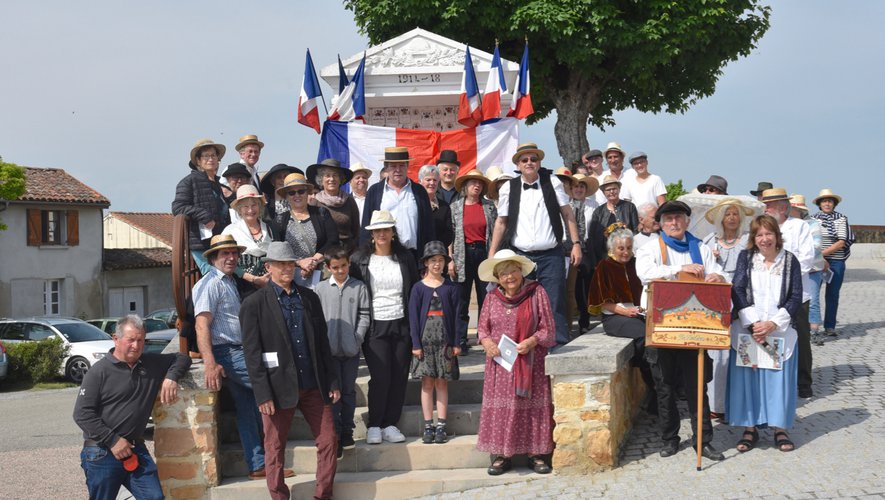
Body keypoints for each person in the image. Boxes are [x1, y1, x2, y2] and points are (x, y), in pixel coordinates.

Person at [240, 242, 340, 500]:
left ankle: (323, 495)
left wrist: (332, 381)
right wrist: (262, 395)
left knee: (328, 441)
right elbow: (252, 355)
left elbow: (322, 344)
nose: (286, 268)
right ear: (268, 267)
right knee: (274, 447)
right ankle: (279, 496)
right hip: (276, 387)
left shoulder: (309, 298)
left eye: (289, 263)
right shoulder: (254, 304)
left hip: (313, 384)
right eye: (280, 264)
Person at [635, 201, 727, 461]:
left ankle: (703, 440)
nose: (673, 223)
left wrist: (716, 277)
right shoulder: (651, 247)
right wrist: (679, 269)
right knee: (664, 385)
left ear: (686, 221)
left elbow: (717, 272)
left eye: (678, 218)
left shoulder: (701, 248)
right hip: (661, 325)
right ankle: (669, 438)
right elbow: (645, 273)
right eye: (668, 219)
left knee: (697, 384)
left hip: (694, 325)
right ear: (661, 224)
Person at [73, 315, 191, 500]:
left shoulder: (150, 363)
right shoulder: (98, 372)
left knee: (154, 497)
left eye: (140, 340)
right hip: (101, 451)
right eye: (131, 340)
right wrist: (113, 441)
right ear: (116, 339)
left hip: (136, 449)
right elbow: (81, 414)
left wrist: (172, 377)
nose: (136, 346)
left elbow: (182, 357)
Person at [193, 234, 277, 479]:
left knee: (248, 407)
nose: (230, 258)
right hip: (227, 353)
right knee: (270, 388)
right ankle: (273, 460)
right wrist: (210, 363)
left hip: (239, 351)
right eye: (224, 254)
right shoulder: (209, 284)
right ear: (214, 258)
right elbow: (201, 325)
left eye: (233, 253)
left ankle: (258, 465)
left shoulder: (228, 281)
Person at [488, 143, 583, 346]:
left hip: (551, 254)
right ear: (518, 164)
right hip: (520, 256)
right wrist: (492, 252)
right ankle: (524, 345)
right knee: (521, 301)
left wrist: (575, 243)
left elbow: (567, 214)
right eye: (525, 160)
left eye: (533, 159)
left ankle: (557, 347)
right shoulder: (508, 188)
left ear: (539, 162)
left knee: (554, 300)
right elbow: (501, 222)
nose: (529, 163)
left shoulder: (553, 182)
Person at [475, 250, 556, 475]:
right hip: (501, 364)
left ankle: (536, 453)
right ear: (497, 278)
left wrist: (532, 341)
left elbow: (548, 329)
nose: (509, 277)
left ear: (521, 271)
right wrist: (488, 344)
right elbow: (482, 329)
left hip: (530, 361)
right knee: (504, 408)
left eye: (512, 271)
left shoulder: (536, 293)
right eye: (503, 273)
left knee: (531, 409)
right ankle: (502, 455)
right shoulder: (492, 298)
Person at [728, 215, 803, 453]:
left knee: (777, 382)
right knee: (750, 380)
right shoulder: (745, 258)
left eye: (768, 233)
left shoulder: (790, 261)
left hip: (779, 331)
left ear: (777, 236)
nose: (764, 239)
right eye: (759, 234)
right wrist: (753, 325)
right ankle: (750, 428)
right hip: (749, 331)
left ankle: (779, 428)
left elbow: (795, 297)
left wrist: (772, 323)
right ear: (753, 238)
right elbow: (737, 290)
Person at [350, 210, 420, 445]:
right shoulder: (359, 259)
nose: (381, 234)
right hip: (374, 325)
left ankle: (391, 423)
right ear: (371, 234)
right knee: (380, 376)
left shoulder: (405, 257)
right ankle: (375, 424)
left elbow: (413, 291)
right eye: (377, 230)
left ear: (393, 233)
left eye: (386, 230)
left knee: (399, 375)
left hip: (401, 323)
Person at [587, 226, 656, 414]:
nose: (625, 252)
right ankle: (654, 386)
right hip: (616, 317)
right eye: (621, 248)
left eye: (628, 248)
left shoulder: (637, 264)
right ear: (612, 248)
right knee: (644, 336)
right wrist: (626, 312)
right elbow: (602, 303)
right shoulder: (604, 266)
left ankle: (661, 387)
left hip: (640, 313)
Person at [314, 244, 370, 459]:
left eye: (344, 266)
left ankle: (347, 431)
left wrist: (357, 339)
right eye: (335, 267)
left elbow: (364, 316)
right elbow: (316, 320)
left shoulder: (358, 287)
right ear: (328, 267)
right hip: (328, 353)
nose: (340, 271)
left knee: (347, 392)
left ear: (349, 265)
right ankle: (334, 434)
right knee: (332, 395)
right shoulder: (320, 289)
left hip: (350, 351)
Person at [701, 198, 754, 419]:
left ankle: (743, 401)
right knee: (718, 352)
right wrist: (709, 262)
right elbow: (702, 268)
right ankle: (717, 404)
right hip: (717, 298)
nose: (731, 218)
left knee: (743, 349)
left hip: (743, 294)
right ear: (721, 218)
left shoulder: (748, 241)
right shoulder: (709, 241)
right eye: (728, 214)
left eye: (735, 214)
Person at [762, 188, 815, 398]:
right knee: (772, 334)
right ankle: (775, 377)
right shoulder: (763, 228)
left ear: (783, 207)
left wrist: (782, 272)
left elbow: (807, 258)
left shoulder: (799, 226)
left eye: (770, 205)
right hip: (768, 294)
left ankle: (804, 382)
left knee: (801, 336)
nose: (766, 208)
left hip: (796, 292)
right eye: (765, 205)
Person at [409, 241, 462, 444]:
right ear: (426, 263)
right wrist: (415, 344)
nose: (437, 265)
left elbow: (457, 317)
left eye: (441, 260)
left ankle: (441, 424)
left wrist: (457, 342)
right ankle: (428, 424)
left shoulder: (451, 288)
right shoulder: (418, 289)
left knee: (442, 382)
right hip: (424, 342)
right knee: (427, 383)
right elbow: (413, 318)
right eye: (433, 260)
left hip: (445, 343)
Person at [449, 169, 497, 354]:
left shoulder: (489, 207)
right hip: (463, 255)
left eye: (479, 183)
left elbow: (495, 233)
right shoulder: (455, 207)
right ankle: (460, 340)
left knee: (486, 297)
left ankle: (485, 338)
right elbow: (450, 235)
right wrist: (450, 258)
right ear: (465, 186)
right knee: (461, 299)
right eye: (472, 183)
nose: (476, 186)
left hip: (484, 254)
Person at [360, 147, 435, 258]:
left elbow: (429, 227)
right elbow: (366, 225)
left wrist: (429, 258)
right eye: (393, 166)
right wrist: (365, 256)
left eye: (402, 165)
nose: (398, 170)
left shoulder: (419, 191)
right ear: (386, 168)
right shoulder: (374, 191)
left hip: (414, 255)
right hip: (384, 255)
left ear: (407, 166)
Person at [172, 138, 231, 276]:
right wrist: (203, 215)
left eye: (213, 155)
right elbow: (178, 207)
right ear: (198, 161)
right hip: (200, 243)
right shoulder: (188, 181)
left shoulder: (220, 184)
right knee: (213, 277)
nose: (210, 159)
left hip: (220, 242)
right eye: (206, 156)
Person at [272, 173, 339, 289]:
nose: (297, 195)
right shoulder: (279, 220)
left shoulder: (322, 213)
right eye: (292, 193)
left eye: (301, 191)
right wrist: (299, 262)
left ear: (307, 193)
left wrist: (313, 261)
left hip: (321, 274)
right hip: (291, 275)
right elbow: (277, 248)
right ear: (286, 196)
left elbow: (333, 240)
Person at [811, 188, 854, 337]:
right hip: (817, 261)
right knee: (813, 294)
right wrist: (820, 257)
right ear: (819, 204)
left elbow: (842, 241)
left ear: (834, 203)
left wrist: (823, 254)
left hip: (836, 261)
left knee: (833, 294)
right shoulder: (813, 219)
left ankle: (830, 326)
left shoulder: (841, 219)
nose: (827, 203)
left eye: (829, 201)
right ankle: (813, 326)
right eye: (824, 201)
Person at [790, 194, 827, 345]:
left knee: (812, 300)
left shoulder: (813, 224)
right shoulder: (788, 224)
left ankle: (814, 331)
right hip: (791, 269)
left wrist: (798, 254)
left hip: (812, 268)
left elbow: (817, 245)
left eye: (792, 208)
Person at [222, 185, 275, 288]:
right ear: (239, 209)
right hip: (242, 286)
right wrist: (253, 279)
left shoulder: (271, 228)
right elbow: (225, 260)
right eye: (245, 206)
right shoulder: (231, 231)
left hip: (271, 284)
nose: (250, 210)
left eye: (254, 205)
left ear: (260, 206)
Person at [567, 173, 600, 334]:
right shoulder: (566, 205)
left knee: (586, 287)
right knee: (572, 288)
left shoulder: (594, 205)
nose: (578, 189)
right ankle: (570, 321)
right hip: (569, 249)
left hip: (588, 248)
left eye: (582, 186)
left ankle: (585, 320)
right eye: (576, 186)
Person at [308, 158, 361, 253]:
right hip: (324, 255)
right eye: (327, 176)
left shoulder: (349, 200)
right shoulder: (314, 202)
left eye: (335, 175)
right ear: (321, 180)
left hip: (348, 253)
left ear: (341, 179)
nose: (331, 179)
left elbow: (356, 230)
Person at [588, 175, 640, 265]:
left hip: (627, 254)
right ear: (604, 192)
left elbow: (636, 231)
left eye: (614, 189)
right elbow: (593, 237)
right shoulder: (598, 211)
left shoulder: (629, 207)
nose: (611, 192)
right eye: (608, 190)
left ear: (619, 189)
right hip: (604, 256)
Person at [419, 164, 455, 248]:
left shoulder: (444, 206)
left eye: (435, 180)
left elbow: (449, 234)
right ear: (420, 182)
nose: (432, 183)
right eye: (428, 180)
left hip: (438, 253)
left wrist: (434, 248)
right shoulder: (413, 204)